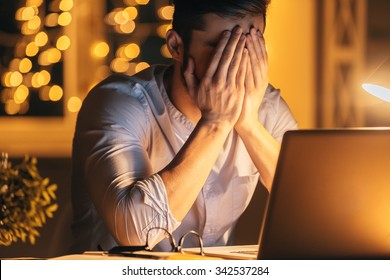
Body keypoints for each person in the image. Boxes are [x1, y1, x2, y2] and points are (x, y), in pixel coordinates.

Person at [70, 0, 298, 253]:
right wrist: (216, 124)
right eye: (222, 48)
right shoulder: (118, 103)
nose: (238, 63)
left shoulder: (267, 107)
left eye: (251, 44)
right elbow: (134, 234)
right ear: (176, 45)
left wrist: (249, 125)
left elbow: (313, 204)